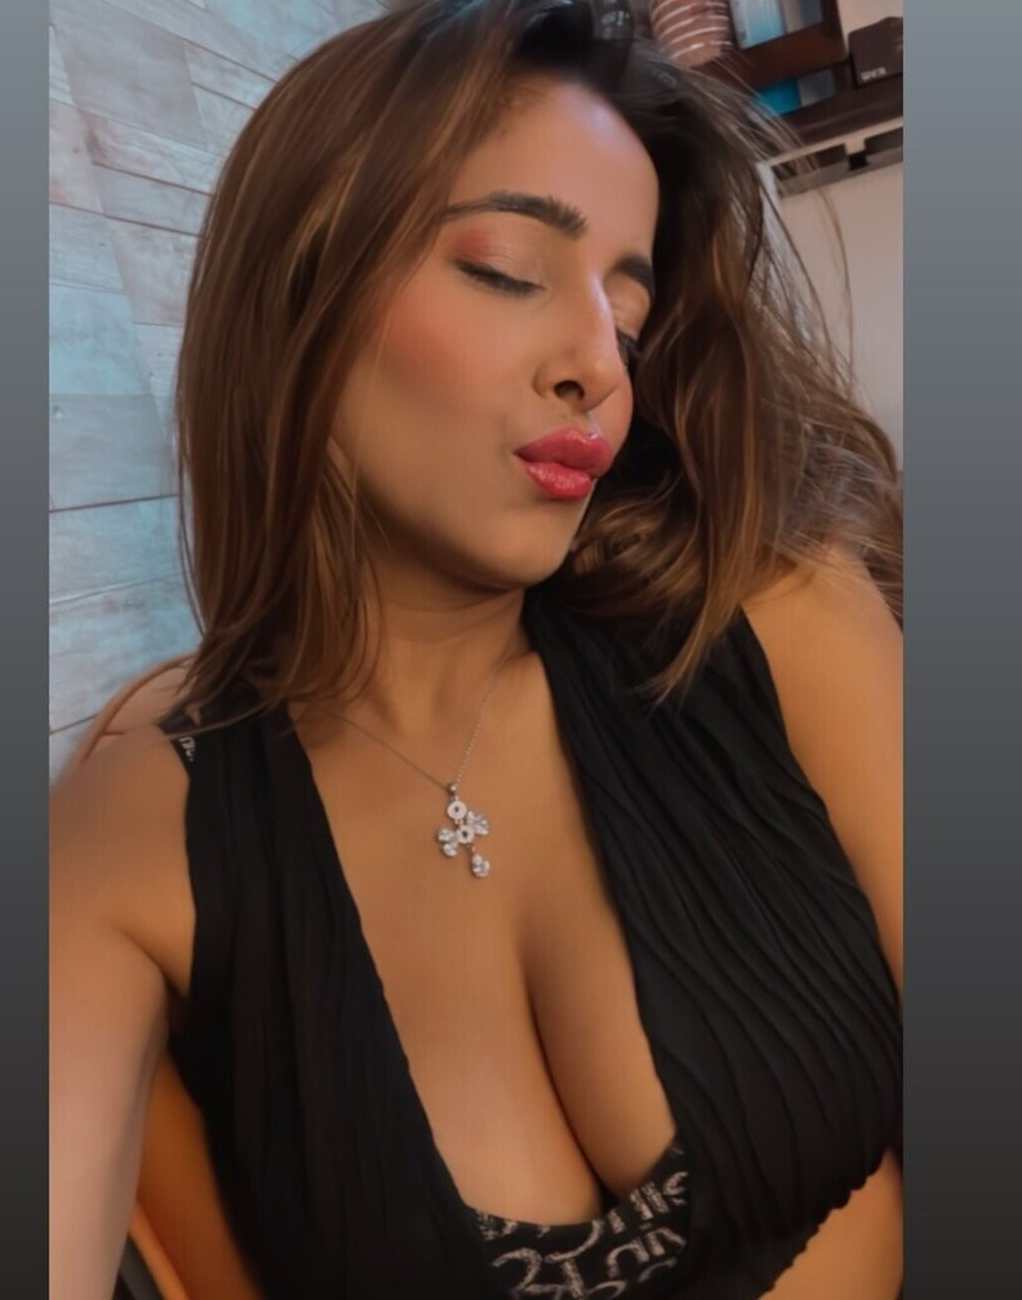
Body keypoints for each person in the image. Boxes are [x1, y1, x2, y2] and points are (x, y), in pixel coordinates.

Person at [49, 1, 903, 1297]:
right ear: (298, 292)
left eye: (630, 307)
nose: (599, 366)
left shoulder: (772, 609)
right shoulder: (143, 818)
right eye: (508, 268)